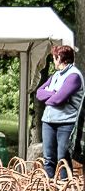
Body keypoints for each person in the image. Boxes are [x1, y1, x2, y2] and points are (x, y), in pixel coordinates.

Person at [36, 45, 83, 179]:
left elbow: (58, 100)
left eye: (54, 58)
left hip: (66, 123)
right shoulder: (55, 75)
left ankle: (64, 188)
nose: (53, 60)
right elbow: (39, 93)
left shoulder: (74, 76)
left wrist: (51, 96)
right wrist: (53, 93)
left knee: (63, 157)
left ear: (60, 58)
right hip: (48, 122)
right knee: (48, 158)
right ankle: (49, 189)